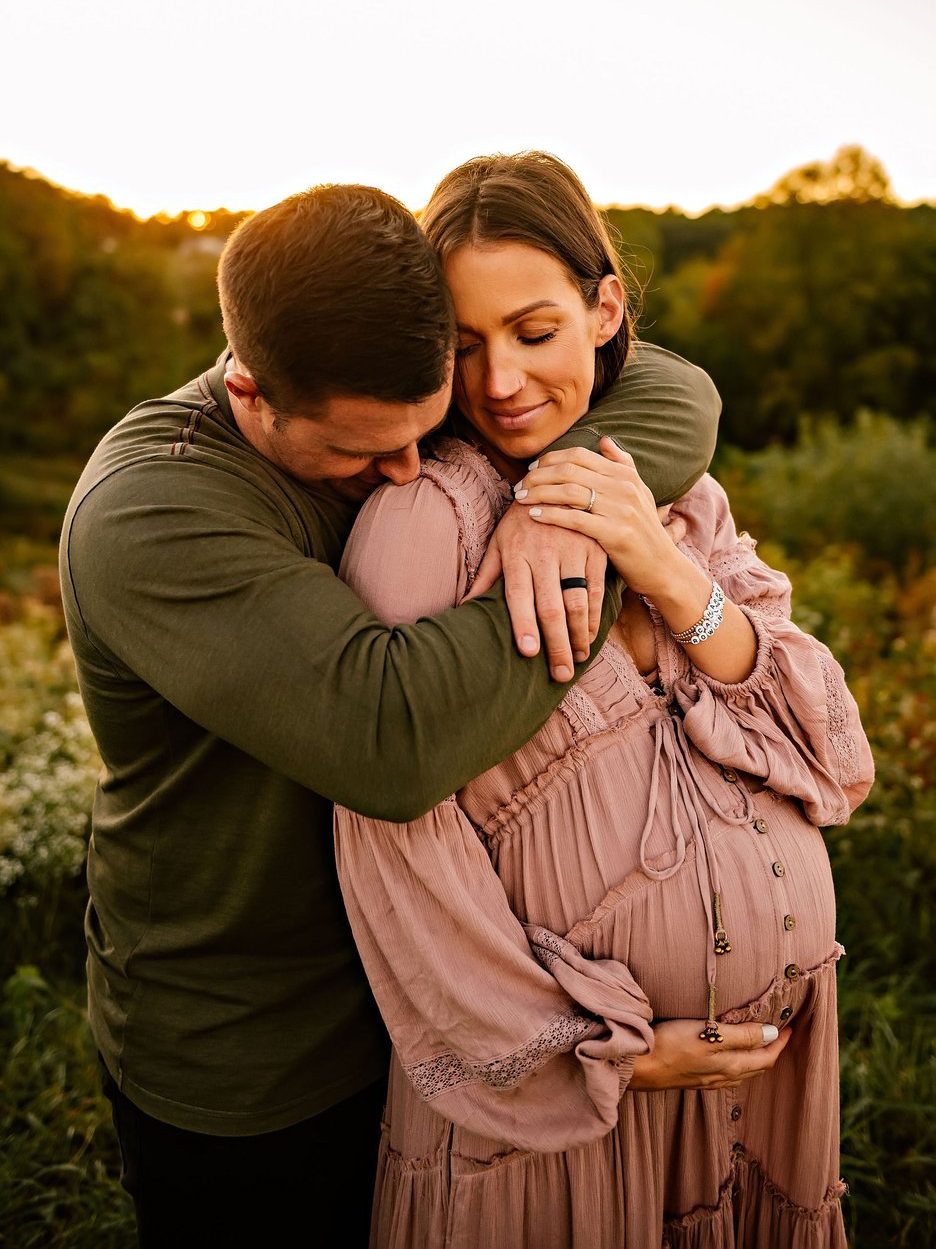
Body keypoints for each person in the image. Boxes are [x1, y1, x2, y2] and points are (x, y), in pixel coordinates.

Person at [58, 182, 721, 1248]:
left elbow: (669, 382)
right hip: (259, 1048)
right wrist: (604, 558)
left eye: (427, 430)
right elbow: (393, 738)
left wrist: (557, 488)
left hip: (441, 1001)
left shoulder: (388, 384)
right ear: (249, 391)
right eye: (366, 457)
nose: (408, 470)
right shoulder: (154, 516)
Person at [334, 153, 874, 1249]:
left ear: (605, 307)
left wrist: (668, 572)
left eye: (534, 332)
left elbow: (829, 755)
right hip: (557, 1127)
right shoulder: (422, 525)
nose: (498, 383)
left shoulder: (679, 493)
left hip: (751, 1108)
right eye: (462, 345)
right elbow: (397, 844)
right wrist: (598, 1053)